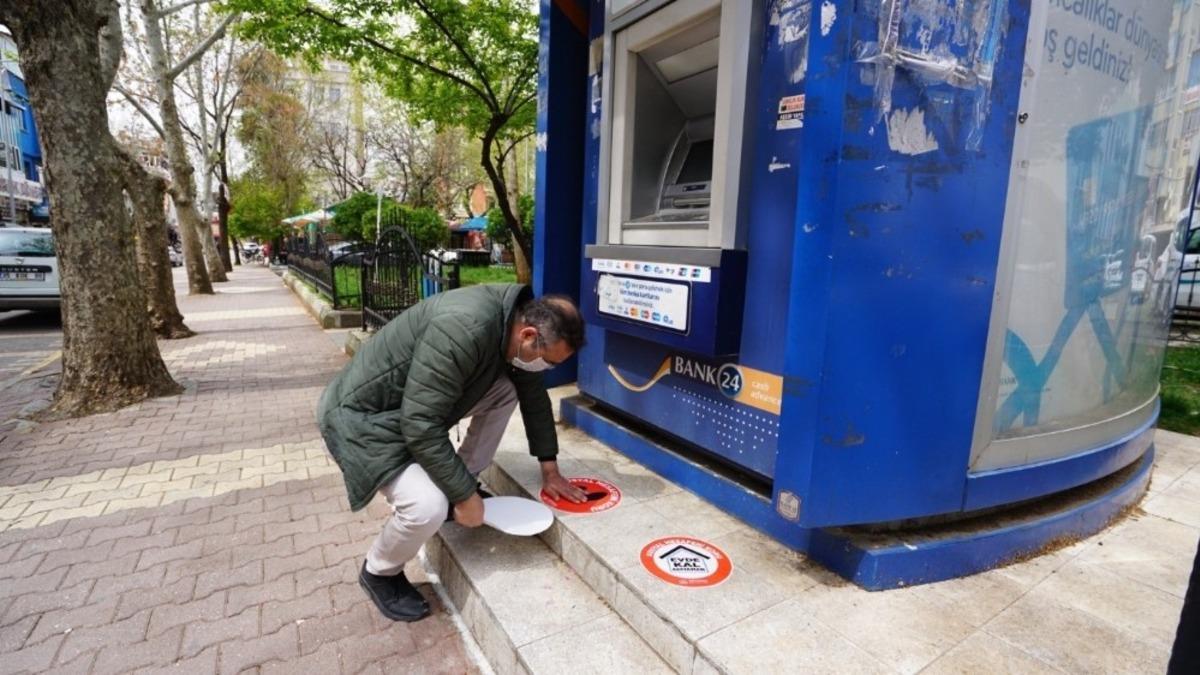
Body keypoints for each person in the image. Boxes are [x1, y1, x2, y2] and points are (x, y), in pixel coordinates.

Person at [317, 284, 587, 622]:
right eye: (548, 361)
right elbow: (419, 424)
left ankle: (462, 478)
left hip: (409, 411)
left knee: (505, 391)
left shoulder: (514, 330)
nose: (547, 369)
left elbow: (533, 400)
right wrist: (461, 496)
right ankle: (379, 571)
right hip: (365, 418)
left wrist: (550, 470)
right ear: (529, 334)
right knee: (426, 507)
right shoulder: (464, 328)